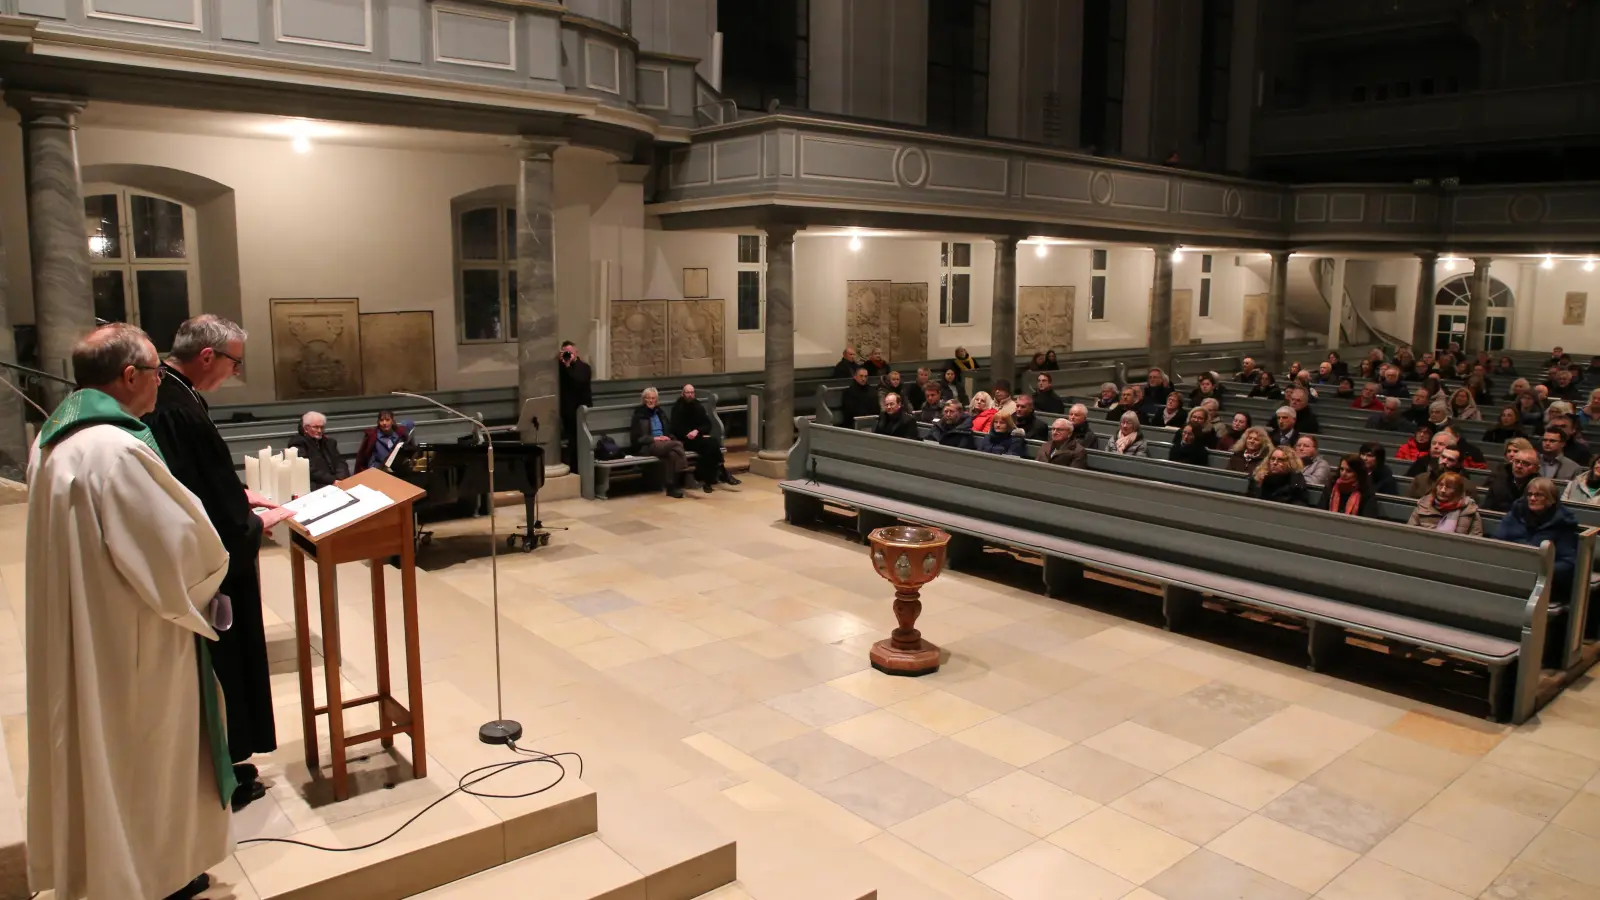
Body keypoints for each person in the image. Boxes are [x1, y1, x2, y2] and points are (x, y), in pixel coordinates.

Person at [28, 324, 237, 900]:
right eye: (153, 373)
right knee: (146, 753)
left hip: (88, 624)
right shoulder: (117, 451)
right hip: (134, 634)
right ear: (128, 376)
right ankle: (152, 877)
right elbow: (178, 552)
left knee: (103, 754)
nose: (158, 384)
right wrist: (212, 581)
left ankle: (110, 869)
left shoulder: (54, 438)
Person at [144, 315, 292, 813]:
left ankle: (228, 759)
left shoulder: (175, 393)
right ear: (208, 356)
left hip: (210, 549)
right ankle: (221, 766)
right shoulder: (171, 405)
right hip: (209, 563)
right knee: (223, 662)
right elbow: (191, 491)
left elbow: (200, 477)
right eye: (234, 363)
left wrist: (240, 496)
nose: (235, 372)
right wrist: (249, 524)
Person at [1494, 478, 1580, 608]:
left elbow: (1567, 562)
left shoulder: (1563, 523)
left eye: (1539, 495)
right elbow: (1497, 542)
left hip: (1545, 584)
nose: (1532, 498)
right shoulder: (1516, 514)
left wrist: (1535, 571)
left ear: (1551, 498)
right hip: (1510, 574)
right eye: (1529, 494)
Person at [671, 384, 738, 491]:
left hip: (698, 437)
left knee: (710, 446)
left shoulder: (697, 406)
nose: (690, 395)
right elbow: (675, 427)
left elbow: (707, 424)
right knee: (711, 444)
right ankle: (721, 471)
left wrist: (697, 431)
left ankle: (708, 480)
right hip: (685, 439)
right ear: (682, 394)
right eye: (687, 392)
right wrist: (688, 433)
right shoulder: (677, 408)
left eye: (692, 392)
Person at [630, 388, 690, 498]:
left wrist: (668, 437)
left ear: (656, 400)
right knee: (678, 444)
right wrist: (655, 438)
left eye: (653, 398)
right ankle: (684, 469)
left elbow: (668, 430)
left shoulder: (660, 412)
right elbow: (636, 439)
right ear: (644, 399)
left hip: (664, 443)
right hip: (648, 445)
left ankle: (671, 488)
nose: (651, 401)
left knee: (672, 454)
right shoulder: (639, 415)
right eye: (648, 398)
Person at [288, 411, 350, 490]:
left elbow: (340, 462)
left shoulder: (329, 442)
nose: (320, 431)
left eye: (322, 427)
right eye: (316, 427)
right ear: (306, 428)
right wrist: (332, 480)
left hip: (336, 483)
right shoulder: (298, 443)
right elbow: (308, 469)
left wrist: (341, 478)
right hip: (316, 486)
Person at [1408, 472, 1485, 536]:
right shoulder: (1424, 504)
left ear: (1458, 491)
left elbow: (1476, 538)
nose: (1442, 490)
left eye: (1449, 487)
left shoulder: (1469, 509)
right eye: (1440, 485)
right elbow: (1410, 532)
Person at [557, 340, 593, 469]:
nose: (568, 355)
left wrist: (568, 366)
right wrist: (561, 363)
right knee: (570, 441)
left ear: (576, 352)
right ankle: (570, 466)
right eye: (565, 352)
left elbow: (578, 381)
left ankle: (578, 467)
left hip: (581, 409)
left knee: (579, 441)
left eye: (570, 352)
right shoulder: (559, 368)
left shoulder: (584, 367)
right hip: (566, 411)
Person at [1484, 445, 1540, 512]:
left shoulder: (1540, 487)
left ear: (1536, 469)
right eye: (1516, 461)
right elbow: (1486, 508)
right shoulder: (1498, 481)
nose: (1519, 466)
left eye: (1525, 463)